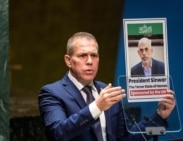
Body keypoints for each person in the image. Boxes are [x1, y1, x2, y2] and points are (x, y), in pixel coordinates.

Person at [38, 32, 175, 141]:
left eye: (94, 55)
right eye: (82, 56)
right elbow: (59, 133)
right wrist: (97, 107)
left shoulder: (108, 92)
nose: (90, 61)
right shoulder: (52, 93)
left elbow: (126, 139)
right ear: (68, 61)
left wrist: (159, 116)